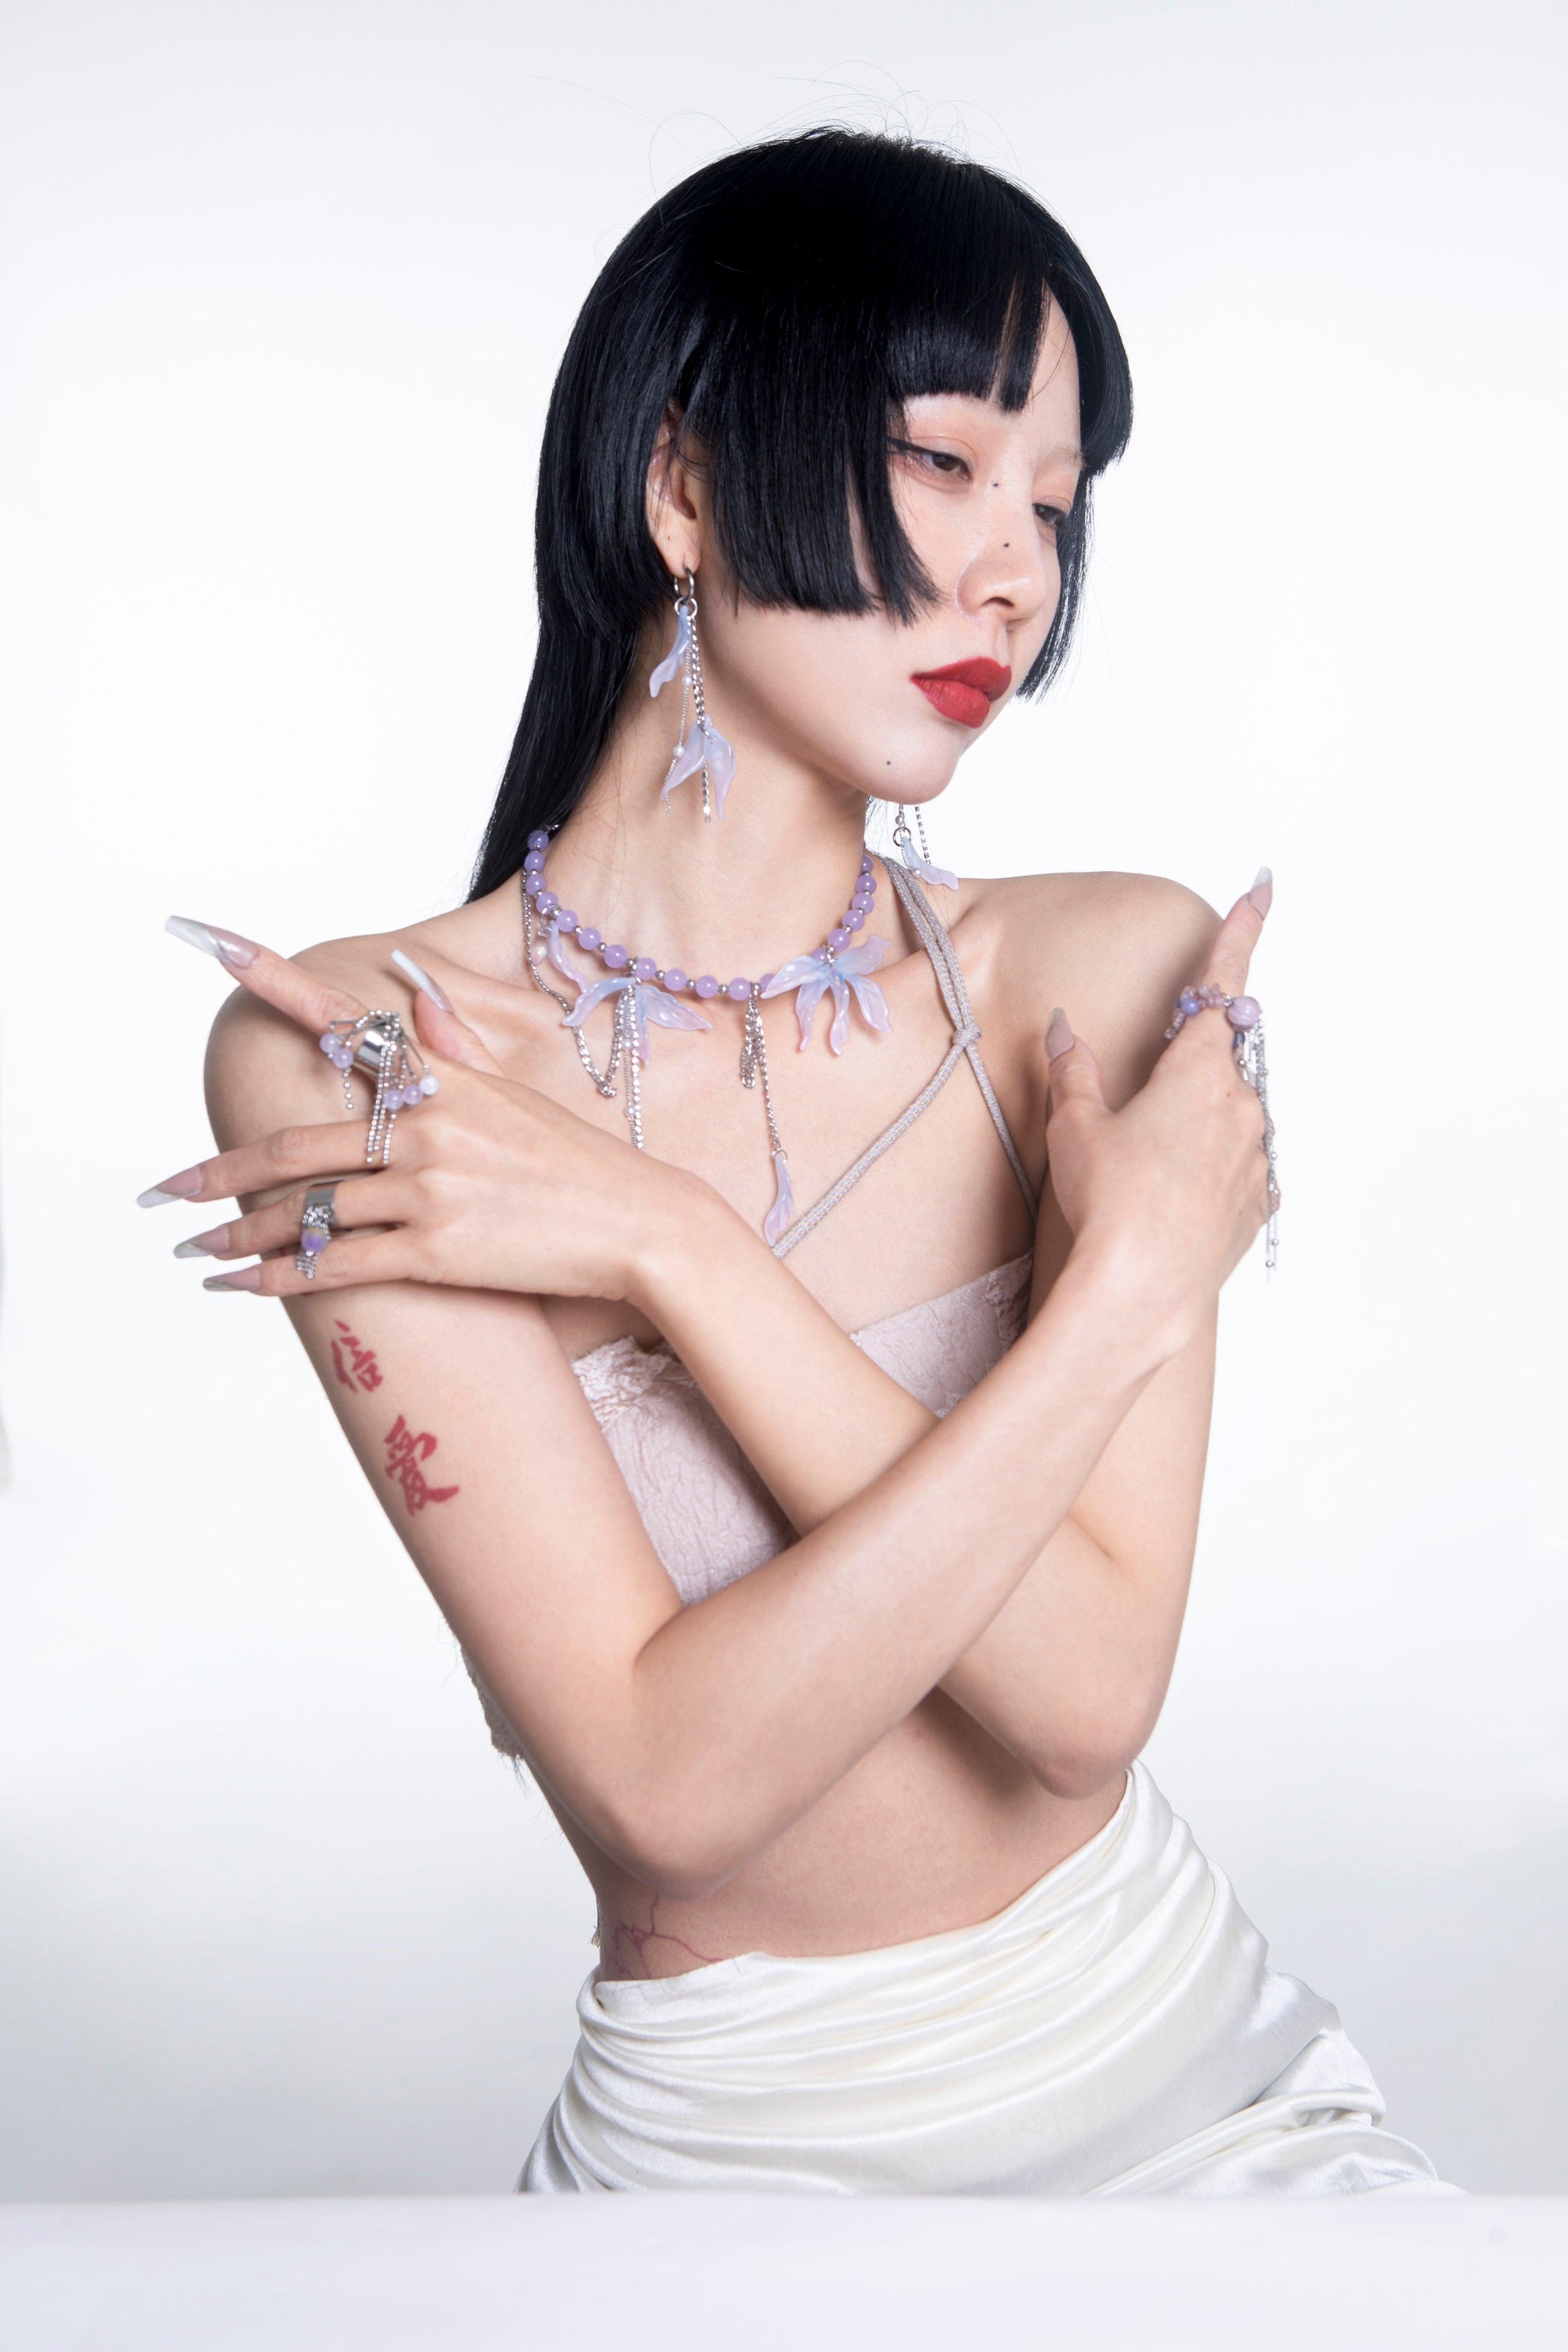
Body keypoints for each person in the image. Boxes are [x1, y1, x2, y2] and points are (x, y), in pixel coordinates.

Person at [143, 129, 1450, 2196]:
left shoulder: (1099, 975)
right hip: (722, 2161)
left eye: (1054, 501)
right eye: (946, 460)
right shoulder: (370, 1061)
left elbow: (1084, 1696)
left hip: (1193, 2095)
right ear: (683, 484)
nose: (1017, 572)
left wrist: (671, 1252)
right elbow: (667, 1785)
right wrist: (1117, 1286)